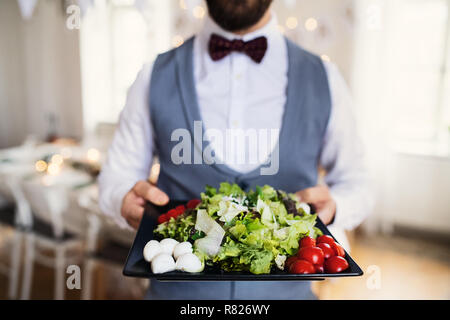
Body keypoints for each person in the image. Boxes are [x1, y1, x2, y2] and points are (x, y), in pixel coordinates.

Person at [99, 0, 373, 300]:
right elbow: (117, 176)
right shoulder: (153, 75)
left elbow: (358, 182)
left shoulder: (325, 78)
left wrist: (337, 205)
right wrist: (121, 198)